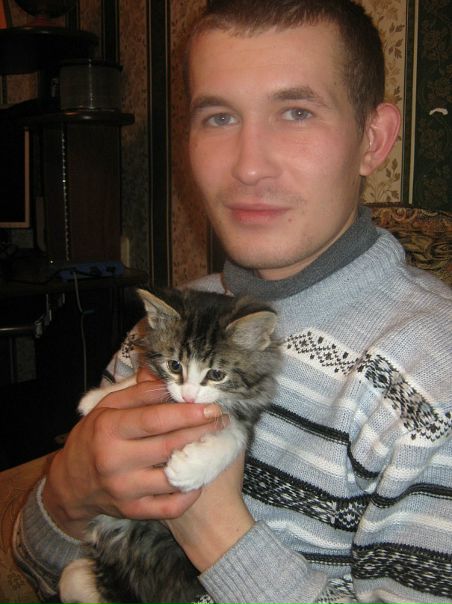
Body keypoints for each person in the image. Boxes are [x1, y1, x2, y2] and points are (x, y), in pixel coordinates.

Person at [13, 1, 452, 603]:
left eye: (296, 112)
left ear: (372, 139)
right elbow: (42, 567)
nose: (248, 167)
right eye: (219, 117)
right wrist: (67, 493)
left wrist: (214, 531)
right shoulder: (169, 322)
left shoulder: (434, 381)